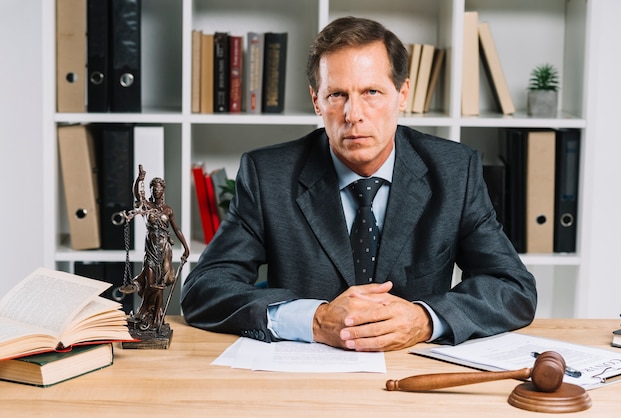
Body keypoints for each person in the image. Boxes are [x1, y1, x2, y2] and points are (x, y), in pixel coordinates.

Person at [181, 16, 537, 351]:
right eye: (337, 95)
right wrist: (314, 320)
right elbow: (203, 290)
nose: (354, 114)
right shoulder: (267, 174)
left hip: (410, 372)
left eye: (371, 92)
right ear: (316, 101)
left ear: (402, 94)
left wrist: (425, 319)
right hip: (302, 377)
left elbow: (513, 288)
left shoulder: (455, 171)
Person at [130, 165, 190, 330]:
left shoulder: (168, 210)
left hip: (164, 248)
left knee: (161, 282)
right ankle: (144, 310)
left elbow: (176, 229)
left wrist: (186, 247)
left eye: (158, 189)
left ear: (163, 191)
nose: (156, 192)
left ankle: (157, 313)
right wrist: (139, 179)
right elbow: (137, 194)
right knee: (150, 281)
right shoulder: (147, 206)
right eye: (153, 189)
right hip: (151, 247)